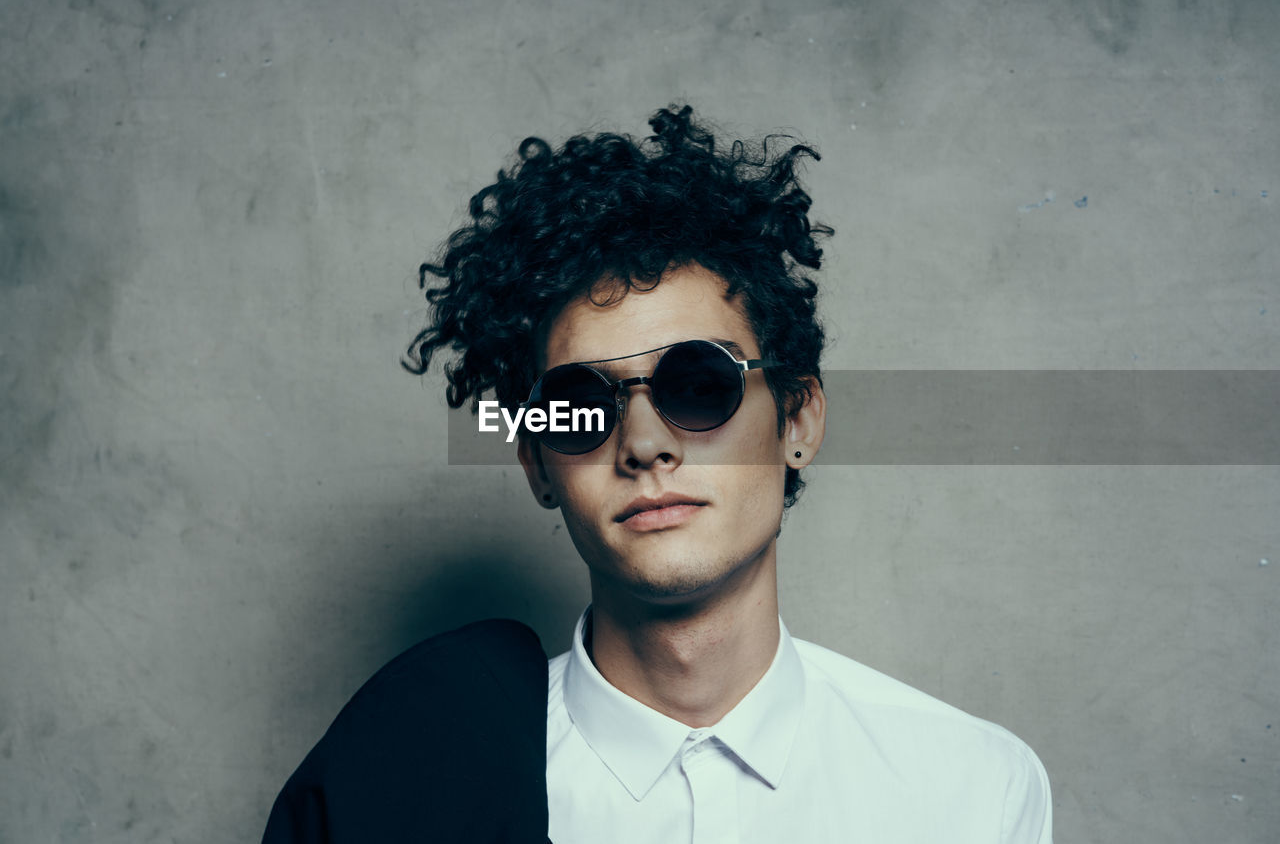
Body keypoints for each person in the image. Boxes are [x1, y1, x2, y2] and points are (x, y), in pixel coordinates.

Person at [264, 106, 1052, 843]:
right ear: (537, 456)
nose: (642, 443)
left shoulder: (972, 788)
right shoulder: (419, 789)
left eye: (698, 385)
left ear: (798, 421)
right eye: (580, 401)